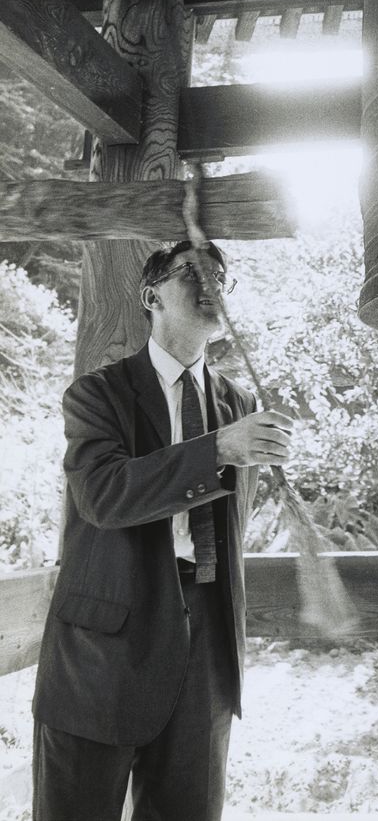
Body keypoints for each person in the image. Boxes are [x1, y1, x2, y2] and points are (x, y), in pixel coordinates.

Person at [32, 240, 294, 821]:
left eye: (221, 276)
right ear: (151, 296)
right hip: (104, 647)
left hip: (208, 646)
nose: (211, 285)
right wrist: (219, 448)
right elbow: (103, 496)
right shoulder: (97, 394)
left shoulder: (239, 402)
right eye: (191, 273)